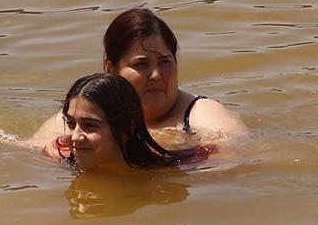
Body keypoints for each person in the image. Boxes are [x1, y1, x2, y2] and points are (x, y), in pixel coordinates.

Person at [28, 7, 247, 156]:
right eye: (141, 64)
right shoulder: (86, 115)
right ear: (111, 69)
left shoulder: (202, 114)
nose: (156, 74)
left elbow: (241, 155)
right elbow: (28, 151)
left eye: (165, 62)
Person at [54, 73, 211, 171]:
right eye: (70, 123)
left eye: (90, 126)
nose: (75, 137)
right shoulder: (60, 159)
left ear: (127, 129)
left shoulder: (167, 171)